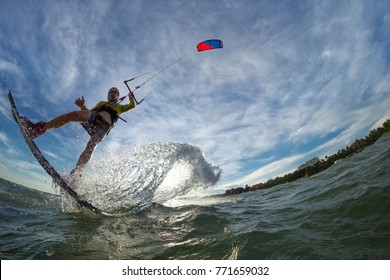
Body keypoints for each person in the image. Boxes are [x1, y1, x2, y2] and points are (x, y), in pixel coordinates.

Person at [21, 87, 136, 175]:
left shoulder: (120, 107)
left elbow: (132, 106)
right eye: (111, 91)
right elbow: (89, 111)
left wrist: (131, 98)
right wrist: (82, 106)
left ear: (118, 95)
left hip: (103, 128)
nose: (112, 93)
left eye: (115, 92)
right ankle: (39, 129)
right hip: (94, 118)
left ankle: (76, 172)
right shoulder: (102, 103)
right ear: (108, 94)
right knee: (75, 114)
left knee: (92, 145)